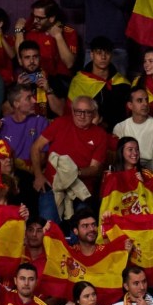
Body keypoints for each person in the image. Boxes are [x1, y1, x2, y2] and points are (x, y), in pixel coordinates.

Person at [28, 94, 108, 222]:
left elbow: (95, 168)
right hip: (52, 185)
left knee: (82, 226)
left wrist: (74, 172)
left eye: (87, 112)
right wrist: (38, 175)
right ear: (72, 111)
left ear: (94, 114)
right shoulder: (60, 123)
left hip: (81, 190)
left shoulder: (100, 135)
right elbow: (35, 147)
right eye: (78, 111)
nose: (82, 116)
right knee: (48, 226)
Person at [112, 86, 153, 169]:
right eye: (139, 100)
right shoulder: (120, 127)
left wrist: (142, 174)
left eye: (146, 100)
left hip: (149, 172)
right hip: (125, 170)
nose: (145, 104)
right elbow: (118, 158)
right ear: (130, 105)